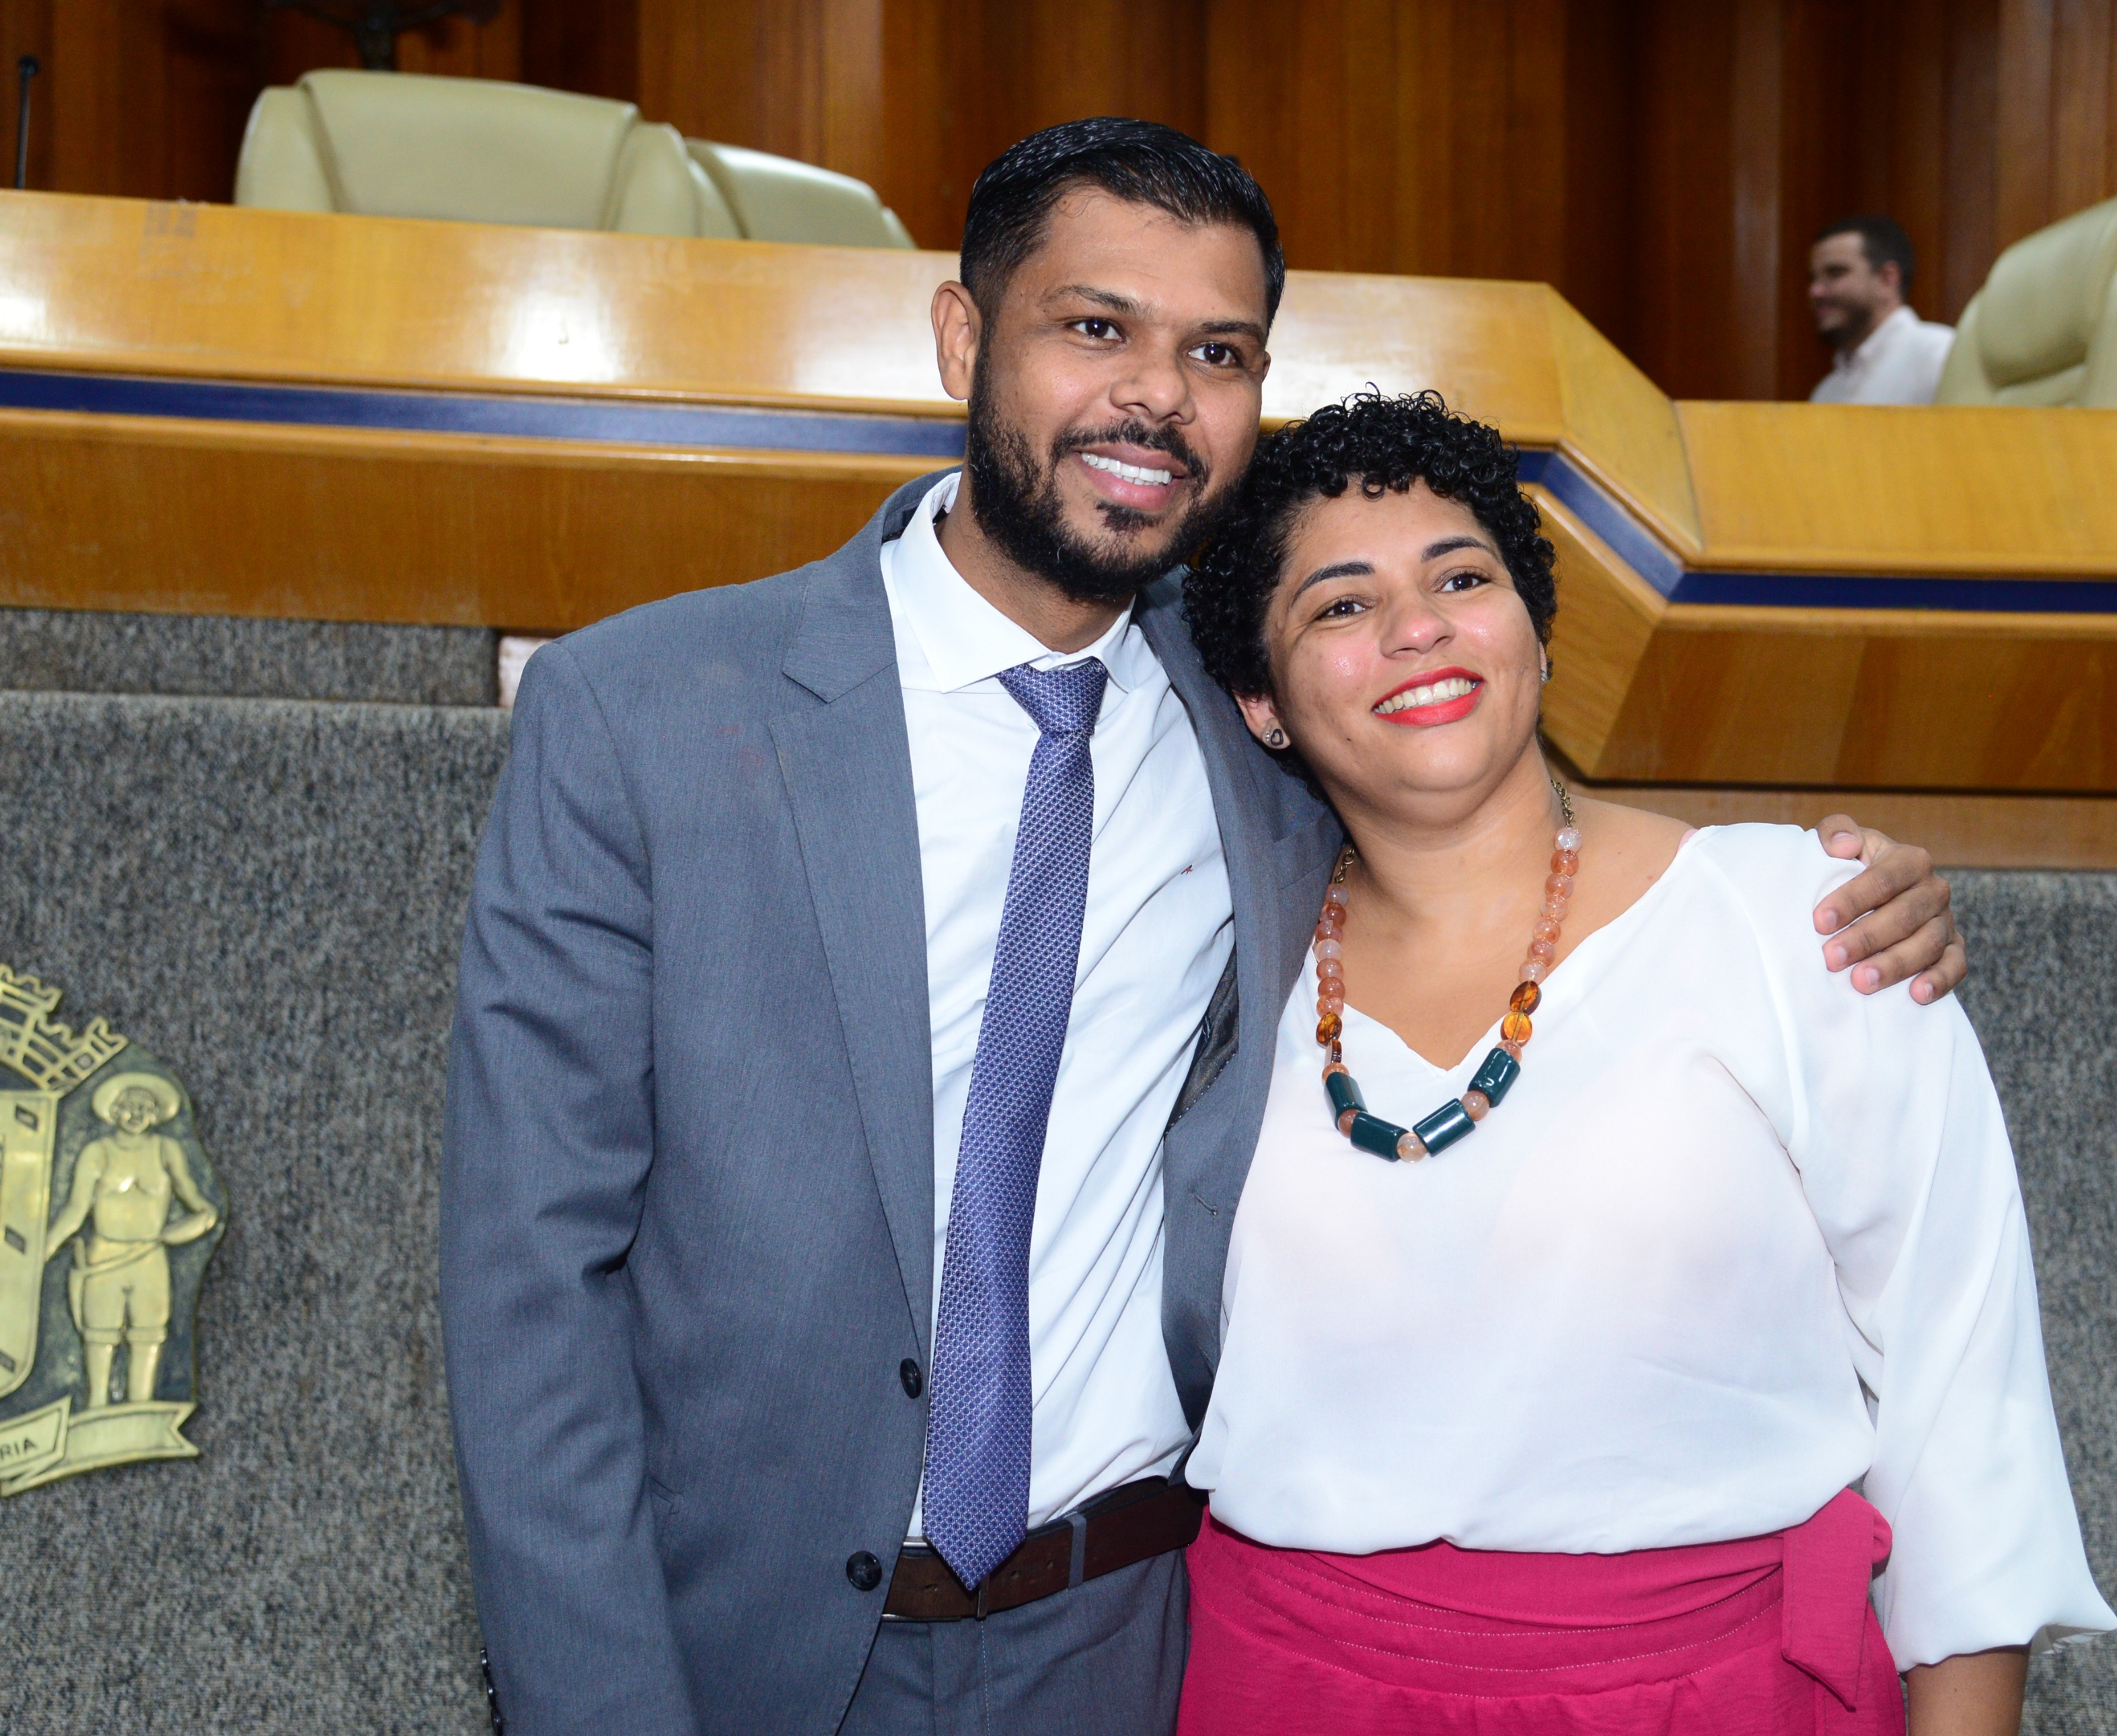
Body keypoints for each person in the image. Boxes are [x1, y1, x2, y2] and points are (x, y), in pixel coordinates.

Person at [441, 120, 1964, 1736]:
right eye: (1096, 327)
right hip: (734, 1647)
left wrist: (1819, 884)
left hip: (1134, 1640)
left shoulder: (1264, 712)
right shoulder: (646, 714)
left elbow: (1495, 804)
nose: (1157, 397)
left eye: (1217, 353)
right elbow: (531, 1284)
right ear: (963, 337)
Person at [1173, 390, 2114, 1736]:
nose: (1416, 626)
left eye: (1461, 577)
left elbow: (1964, 1408)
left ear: (1537, 631)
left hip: (1710, 1689)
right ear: (1262, 702)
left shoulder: (1801, 926)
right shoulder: (1216, 971)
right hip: (1288, 1685)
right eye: (1340, 604)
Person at [40, 1072, 218, 1410]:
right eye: (128, 1106)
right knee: (99, 1336)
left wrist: (182, 1231)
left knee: (148, 1336)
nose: (135, 1114)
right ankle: (95, 1408)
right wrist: (44, 1250)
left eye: (144, 1107)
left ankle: (141, 1408)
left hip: (150, 1257)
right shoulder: (97, 1152)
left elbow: (202, 1209)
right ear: (114, 1111)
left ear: (155, 1115)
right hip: (104, 1256)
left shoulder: (166, 1150)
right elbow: (75, 1211)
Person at [1810, 215, 1955, 404]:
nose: (1815, 291)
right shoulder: (1828, 390)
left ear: (1887, 279)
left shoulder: (1939, 354)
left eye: (1835, 273)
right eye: (1813, 278)